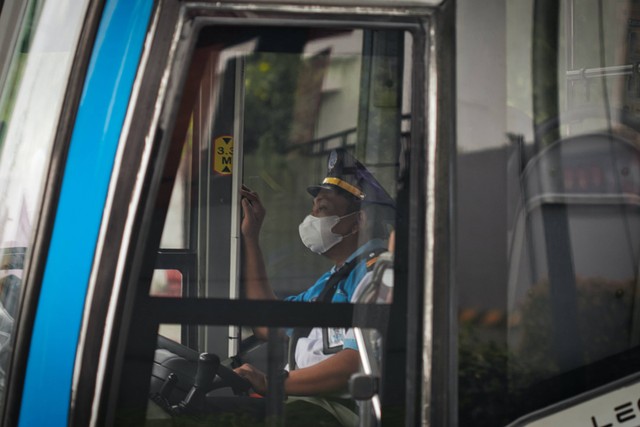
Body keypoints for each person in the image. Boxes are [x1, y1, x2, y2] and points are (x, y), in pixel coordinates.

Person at [234, 148, 394, 425]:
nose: (313, 219)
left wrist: (271, 382)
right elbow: (267, 323)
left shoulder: (377, 277)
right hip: (307, 403)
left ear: (358, 222)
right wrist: (251, 236)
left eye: (323, 209)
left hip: (334, 411)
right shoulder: (335, 279)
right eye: (314, 209)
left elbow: (354, 363)